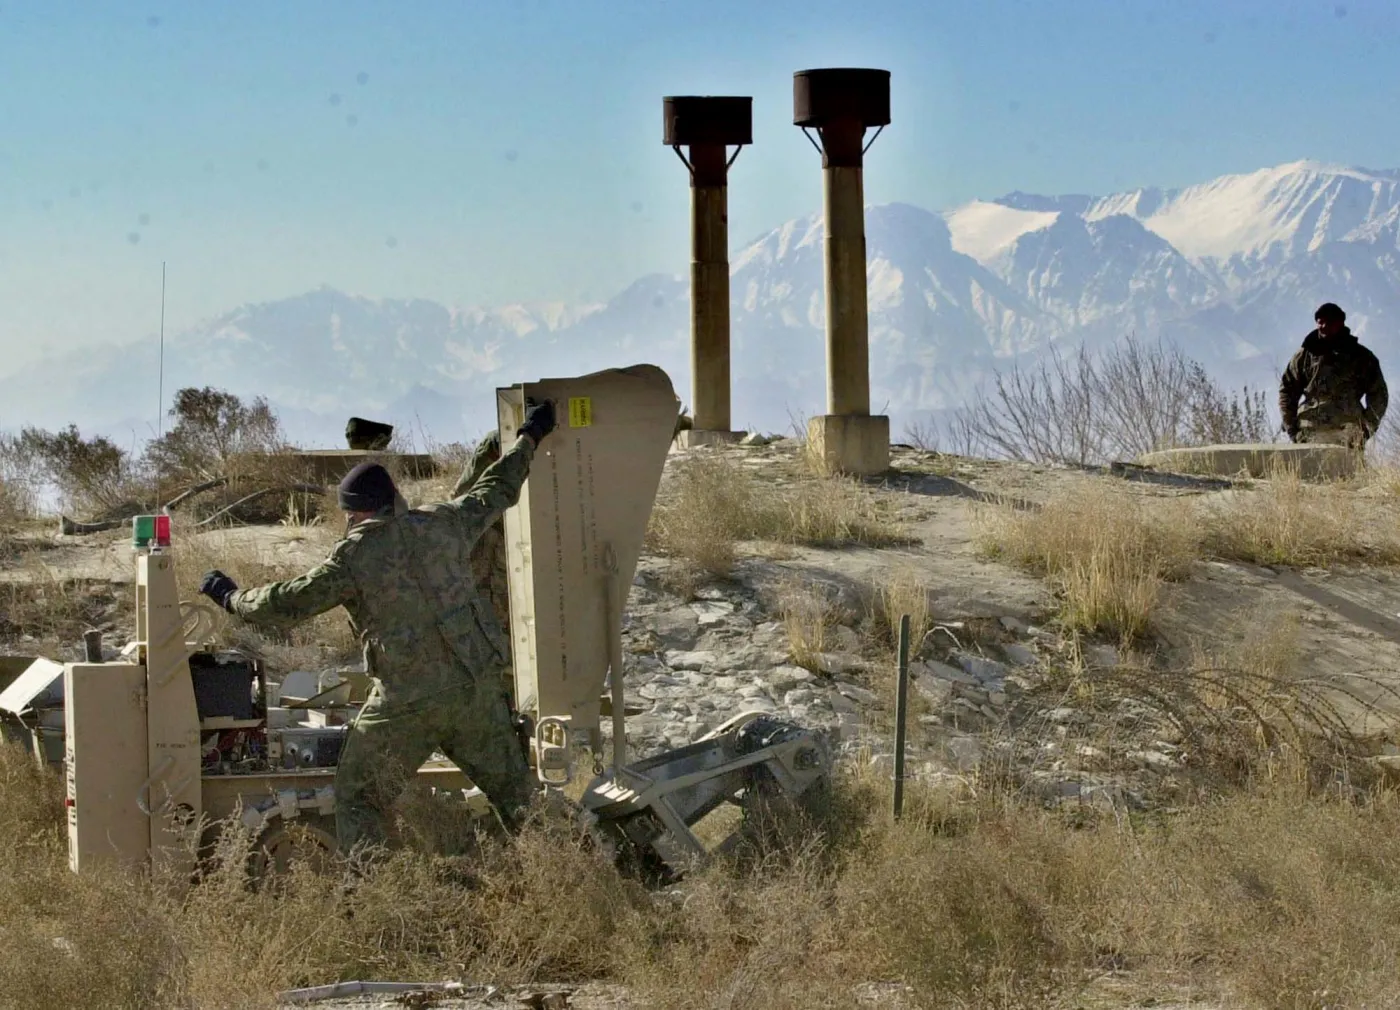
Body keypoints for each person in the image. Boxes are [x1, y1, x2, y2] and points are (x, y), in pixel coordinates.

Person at [199, 400, 558, 852]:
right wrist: (531, 435)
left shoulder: (353, 559)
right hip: (475, 692)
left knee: (356, 796)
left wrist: (231, 598)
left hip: (406, 703)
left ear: (354, 514)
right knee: (517, 798)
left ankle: (371, 892)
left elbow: (286, 602)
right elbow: (497, 488)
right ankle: (568, 871)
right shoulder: (445, 523)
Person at [1279, 302, 1388, 450]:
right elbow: (1287, 390)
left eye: (1329, 322)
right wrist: (1292, 429)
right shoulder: (1304, 356)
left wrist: (1365, 430)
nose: (1324, 326)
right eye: (1320, 322)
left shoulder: (1361, 357)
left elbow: (1378, 394)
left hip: (1348, 434)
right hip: (1309, 433)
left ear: (1340, 323)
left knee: (1349, 473)